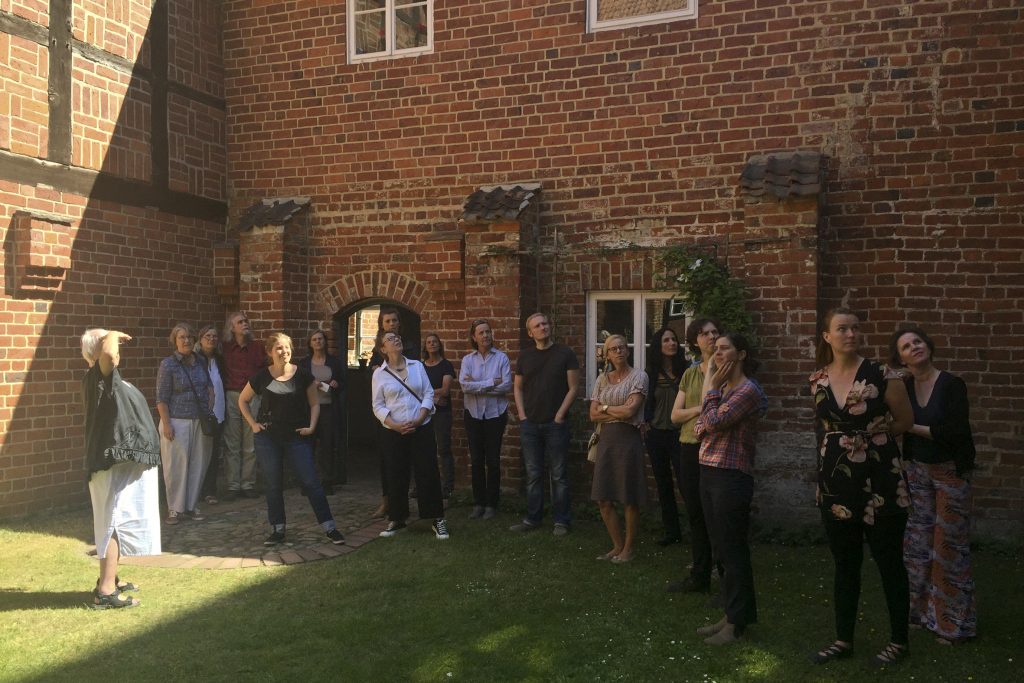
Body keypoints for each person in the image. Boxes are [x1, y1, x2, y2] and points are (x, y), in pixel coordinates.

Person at [809, 308, 913, 667]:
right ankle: (843, 639)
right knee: (845, 563)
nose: (850, 334)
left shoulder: (883, 374)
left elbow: (905, 420)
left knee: (888, 561)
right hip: (836, 482)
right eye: (842, 329)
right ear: (827, 336)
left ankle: (899, 640)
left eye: (855, 328)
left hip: (880, 477)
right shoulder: (818, 379)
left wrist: (871, 438)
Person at [891, 325, 977, 645]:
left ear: (928, 347)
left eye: (918, 341)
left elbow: (951, 431)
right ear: (900, 357)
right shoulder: (904, 387)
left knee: (947, 547)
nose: (915, 347)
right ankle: (919, 612)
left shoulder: (952, 385)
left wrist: (907, 425)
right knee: (917, 545)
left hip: (950, 472)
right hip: (916, 472)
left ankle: (953, 624)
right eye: (906, 346)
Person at [691, 333, 768, 645]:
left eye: (724, 348)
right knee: (720, 548)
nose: (717, 353)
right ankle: (730, 613)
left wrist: (709, 393)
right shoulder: (722, 389)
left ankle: (737, 624)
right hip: (709, 469)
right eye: (716, 348)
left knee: (733, 549)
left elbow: (713, 422)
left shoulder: (748, 390)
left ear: (741, 354)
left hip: (731, 475)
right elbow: (701, 426)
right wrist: (710, 409)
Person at [238, 333, 346, 546]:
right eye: (278, 348)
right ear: (270, 352)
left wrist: (312, 427)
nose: (283, 352)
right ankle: (277, 529)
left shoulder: (303, 375)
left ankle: (330, 527)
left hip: (296, 437)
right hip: (268, 438)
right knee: (273, 484)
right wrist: (253, 424)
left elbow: (315, 404)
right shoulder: (261, 377)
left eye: (286, 348)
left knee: (311, 482)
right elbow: (243, 400)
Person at [81, 329, 161, 609]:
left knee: (119, 518)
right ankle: (105, 592)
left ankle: (110, 578)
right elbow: (110, 355)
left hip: (124, 463)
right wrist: (112, 333)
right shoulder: (99, 376)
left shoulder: (107, 380)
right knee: (113, 521)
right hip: (112, 463)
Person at [371, 330, 450, 540]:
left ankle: (436, 518)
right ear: (383, 349)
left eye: (397, 337)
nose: (396, 339)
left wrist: (420, 417)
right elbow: (377, 405)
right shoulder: (379, 374)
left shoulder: (417, 366)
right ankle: (397, 518)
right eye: (389, 339)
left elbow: (428, 393)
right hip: (394, 431)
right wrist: (394, 425)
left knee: (428, 471)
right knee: (396, 473)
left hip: (420, 427)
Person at [511, 312, 579, 535]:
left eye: (545, 323)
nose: (543, 327)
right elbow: (518, 387)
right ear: (530, 333)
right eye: (537, 326)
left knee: (558, 475)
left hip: (555, 424)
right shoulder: (525, 357)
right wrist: (522, 415)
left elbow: (573, 388)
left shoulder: (565, 354)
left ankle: (561, 520)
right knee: (533, 473)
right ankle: (533, 518)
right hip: (530, 424)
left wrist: (559, 416)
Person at [667, 317, 722, 593]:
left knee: (717, 515)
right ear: (695, 341)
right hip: (689, 446)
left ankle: (723, 576)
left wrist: (702, 407)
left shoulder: (728, 371)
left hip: (716, 450)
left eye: (715, 332)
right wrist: (702, 409)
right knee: (695, 513)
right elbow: (675, 416)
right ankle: (700, 574)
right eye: (704, 333)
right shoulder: (689, 374)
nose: (711, 337)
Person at [590, 335, 649, 563]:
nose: (619, 351)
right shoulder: (602, 379)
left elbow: (630, 412)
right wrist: (614, 408)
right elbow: (592, 414)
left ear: (628, 350)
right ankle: (616, 545)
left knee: (629, 497)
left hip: (628, 439)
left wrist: (605, 407)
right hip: (606, 439)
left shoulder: (639, 376)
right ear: (607, 355)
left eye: (623, 347)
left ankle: (628, 548)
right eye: (613, 349)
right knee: (603, 497)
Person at [156, 322, 213, 525]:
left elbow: (209, 388)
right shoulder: (168, 365)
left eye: (189, 336)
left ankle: (190, 506)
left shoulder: (200, 362)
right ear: (175, 341)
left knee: (198, 464)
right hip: (176, 421)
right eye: (182, 337)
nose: (186, 340)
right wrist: (167, 424)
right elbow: (161, 398)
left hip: (199, 420)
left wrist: (209, 410)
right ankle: (174, 509)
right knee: (175, 467)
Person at [460, 320, 512, 519]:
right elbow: (465, 387)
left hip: (495, 415)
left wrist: (478, 386)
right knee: (476, 460)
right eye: (481, 332)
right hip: (472, 414)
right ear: (474, 337)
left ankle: (492, 504)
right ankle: (478, 502)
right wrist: (491, 383)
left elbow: (506, 386)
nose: (485, 336)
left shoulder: (501, 358)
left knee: (493, 460)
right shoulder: (468, 360)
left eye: (488, 332)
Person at [368, 307, 415, 518]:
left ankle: (405, 502)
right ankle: (387, 501)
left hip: (407, 411)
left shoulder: (409, 347)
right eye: (387, 321)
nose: (391, 324)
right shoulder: (378, 350)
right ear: (382, 324)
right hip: (386, 412)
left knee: (407, 458)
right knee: (386, 459)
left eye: (394, 321)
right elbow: (374, 372)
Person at [643, 326, 687, 546]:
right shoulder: (650, 374)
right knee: (663, 484)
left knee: (686, 484)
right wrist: (646, 422)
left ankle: (697, 530)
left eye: (674, 339)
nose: (672, 343)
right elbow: (645, 402)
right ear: (658, 346)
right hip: (657, 434)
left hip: (680, 435)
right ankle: (672, 532)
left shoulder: (686, 370)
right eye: (666, 340)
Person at [221, 312, 266, 499]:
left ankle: (247, 483)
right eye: (240, 322)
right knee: (232, 443)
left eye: (246, 321)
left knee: (250, 443)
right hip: (232, 395)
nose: (244, 324)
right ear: (232, 328)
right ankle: (233, 485)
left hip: (252, 396)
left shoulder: (257, 347)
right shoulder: (225, 348)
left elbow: (264, 368)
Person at [298, 329, 345, 495]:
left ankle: (327, 481)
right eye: (314, 339)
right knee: (307, 446)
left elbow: (342, 383)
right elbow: (298, 385)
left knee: (327, 445)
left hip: (328, 408)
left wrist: (335, 384)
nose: (318, 342)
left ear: (325, 342)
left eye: (320, 339)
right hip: (309, 409)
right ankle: (308, 482)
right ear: (310, 344)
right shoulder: (304, 363)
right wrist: (312, 384)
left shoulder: (334, 362)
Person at [423, 333, 457, 498]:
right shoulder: (420, 367)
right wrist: (434, 398)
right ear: (425, 346)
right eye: (429, 342)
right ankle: (426, 484)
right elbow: (416, 390)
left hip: (442, 413)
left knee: (443, 448)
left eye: (435, 341)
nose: (432, 344)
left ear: (439, 345)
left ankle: (447, 486)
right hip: (424, 413)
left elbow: (445, 390)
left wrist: (428, 395)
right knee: (425, 449)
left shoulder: (446, 366)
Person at [197, 325, 226, 506]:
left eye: (215, 336)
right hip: (201, 413)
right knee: (200, 453)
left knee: (214, 453)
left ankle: (210, 490)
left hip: (218, 412)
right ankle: (198, 490)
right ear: (200, 340)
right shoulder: (195, 360)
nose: (211, 339)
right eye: (208, 336)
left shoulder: (219, 360)